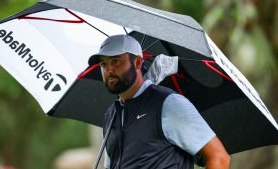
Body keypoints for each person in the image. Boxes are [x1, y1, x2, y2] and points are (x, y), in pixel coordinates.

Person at [88, 35, 230, 169]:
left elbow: (219, 158)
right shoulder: (111, 116)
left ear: (137, 62)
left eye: (115, 61)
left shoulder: (169, 103)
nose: (109, 69)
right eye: (103, 64)